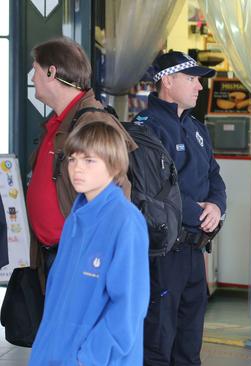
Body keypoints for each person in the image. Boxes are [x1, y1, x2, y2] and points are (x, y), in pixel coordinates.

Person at [29, 122, 149, 365]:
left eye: (89, 160)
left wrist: (89, 357)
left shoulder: (125, 221)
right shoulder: (77, 216)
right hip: (57, 351)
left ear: (115, 165)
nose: (77, 169)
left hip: (95, 358)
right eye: (72, 159)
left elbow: (128, 307)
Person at [134, 51, 227, 366]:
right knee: (158, 343)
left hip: (194, 249)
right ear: (168, 81)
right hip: (163, 253)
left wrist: (216, 206)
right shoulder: (145, 128)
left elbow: (215, 177)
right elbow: (152, 191)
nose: (199, 87)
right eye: (192, 79)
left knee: (189, 345)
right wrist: (199, 213)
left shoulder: (197, 129)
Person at [27, 37, 136, 281]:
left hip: (79, 261)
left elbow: (117, 195)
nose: (32, 78)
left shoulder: (92, 123)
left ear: (51, 72)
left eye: (35, 70)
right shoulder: (59, 122)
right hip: (54, 258)